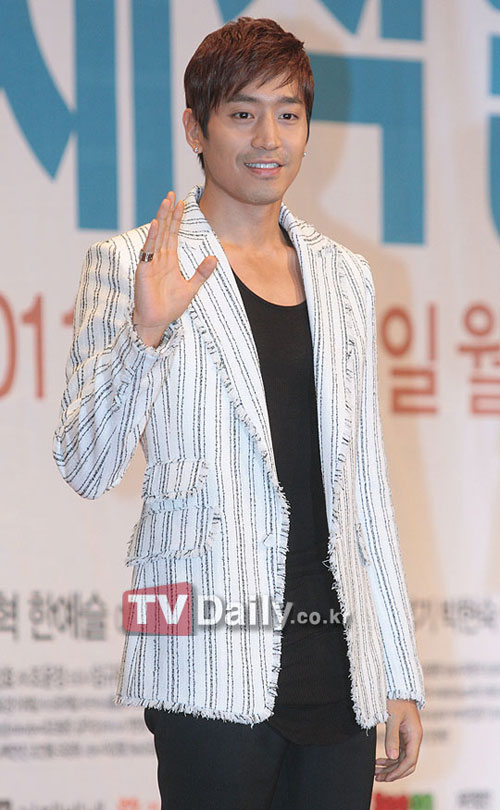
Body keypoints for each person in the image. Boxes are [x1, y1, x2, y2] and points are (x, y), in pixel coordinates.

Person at [53, 16, 425, 810]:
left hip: (338, 659)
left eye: (288, 113)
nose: (268, 138)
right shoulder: (130, 264)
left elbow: (366, 489)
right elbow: (85, 465)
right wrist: (144, 333)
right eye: (242, 113)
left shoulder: (345, 277)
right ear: (196, 128)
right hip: (206, 657)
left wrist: (397, 671)